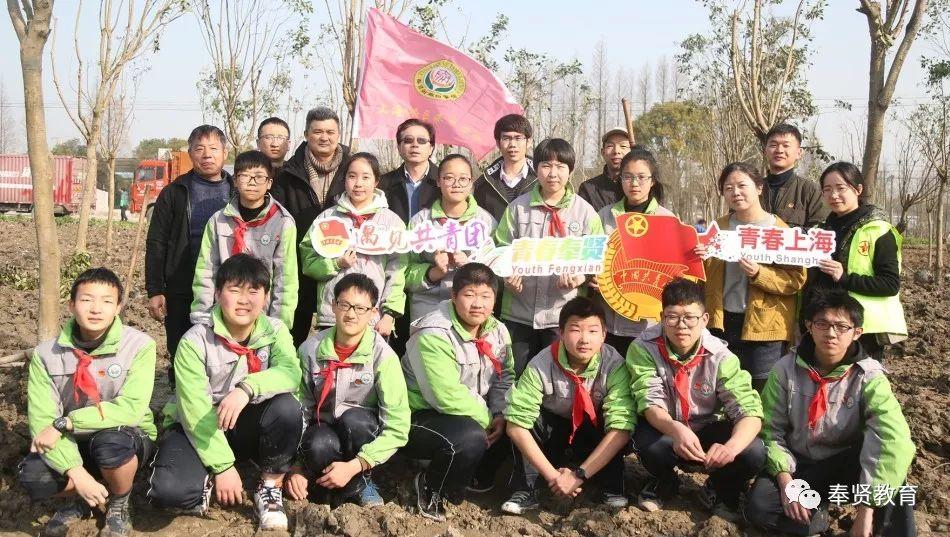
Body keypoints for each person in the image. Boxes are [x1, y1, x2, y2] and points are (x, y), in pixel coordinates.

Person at [147, 255, 303, 532]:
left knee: (287, 408)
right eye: (235, 290)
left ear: (266, 297)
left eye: (253, 291)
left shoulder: (275, 331)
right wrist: (223, 467)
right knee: (169, 493)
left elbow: (291, 373)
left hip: (246, 424)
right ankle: (204, 479)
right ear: (218, 293)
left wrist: (247, 388)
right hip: (199, 427)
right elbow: (194, 411)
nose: (244, 300)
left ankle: (269, 486)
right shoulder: (195, 341)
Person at [745, 289, 915, 537]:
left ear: (857, 333)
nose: (831, 333)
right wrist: (786, 483)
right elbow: (771, 429)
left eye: (841, 327)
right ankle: (816, 515)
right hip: (800, 465)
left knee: (894, 477)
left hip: (847, 466)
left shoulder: (868, 377)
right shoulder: (784, 370)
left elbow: (891, 439)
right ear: (809, 327)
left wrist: (867, 508)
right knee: (761, 508)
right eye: (822, 324)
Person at [19, 268, 156, 537]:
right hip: (71, 440)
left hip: (124, 434)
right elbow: (41, 420)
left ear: (118, 307)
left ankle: (119, 501)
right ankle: (83, 495)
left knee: (110, 444)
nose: (96, 309)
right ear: (71, 305)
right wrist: (76, 472)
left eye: (106, 301)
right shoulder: (46, 354)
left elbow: (130, 409)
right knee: (33, 477)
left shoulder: (139, 346)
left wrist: (68, 422)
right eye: (86, 300)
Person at [627, 278, 765, 520]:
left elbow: (749, 411)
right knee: (648, 443)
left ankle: (721, 487)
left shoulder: (721, 356)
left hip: (708, 426)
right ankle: (664, 481)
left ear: (705, 320)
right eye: (673, 317)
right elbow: (650, 402)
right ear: (662, 317)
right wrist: (676, 429)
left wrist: (730, 448)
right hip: (667, 427)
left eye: (690, 317)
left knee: (753, 451)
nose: (682, 326)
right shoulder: (643, 348)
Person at [401, 263, 514, 521]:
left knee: (518, 421)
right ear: (453, 296)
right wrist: (488, 419)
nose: (478, 304)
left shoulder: (498, 330)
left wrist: (500, 413)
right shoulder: (433, 334)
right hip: (422, 416)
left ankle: (477, 479)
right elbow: (445, 395)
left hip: (473, 412)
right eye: (469, 295)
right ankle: (431, 486)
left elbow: (504, 377)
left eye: (486, 296)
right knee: (470, 437)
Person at [502, 297, 634, 515]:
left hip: (592, 430)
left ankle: (611, 486)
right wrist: (555, 478)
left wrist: (578, 475)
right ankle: (527, 487)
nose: (584, 340)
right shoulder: (541, 363)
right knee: (528, 420)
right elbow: (515, 425)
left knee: (617, 421)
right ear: (561, 333)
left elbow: (621, 428)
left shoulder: (614, 364)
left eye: (593, 331)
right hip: (556, 429)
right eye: (575, 330)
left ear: (603, 335)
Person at [286, 274, 410, 507]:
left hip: (361, 436)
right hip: (324, 431)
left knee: (356, 420)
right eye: (344, 305)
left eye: (361, 308)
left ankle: (361, 485)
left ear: (373, 313)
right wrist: (294, 466)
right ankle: (325, 489)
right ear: (333, 305)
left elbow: (398, 426)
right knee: (318, 443)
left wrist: (355, 465)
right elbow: (300, 408)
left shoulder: (383, 356)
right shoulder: (310, 349)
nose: (351, 314)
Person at [494, 138, 603, 375]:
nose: (553, 173)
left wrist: (580, 277)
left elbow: (596, 259)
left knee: (557, 377)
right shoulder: (517, 209)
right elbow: (500, 249)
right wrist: (507, 273)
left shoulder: (585, 213)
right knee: (514, 375)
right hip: (518, 313)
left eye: (560, 166)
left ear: (570, 170)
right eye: (546, 165)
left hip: (562, 315)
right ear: (536, 168)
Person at [697, 162, 806, 390]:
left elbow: (795, 280)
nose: (735, 192)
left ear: (759, 187)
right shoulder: (719, 227)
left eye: (741, 185)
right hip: (722, 322)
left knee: (759, 392)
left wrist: (760, 273)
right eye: (728, 188)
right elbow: (703, 275)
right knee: (723, 389)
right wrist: (699, 257)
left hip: (764, 328)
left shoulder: (779, 231)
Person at [145, 124, 232, 383]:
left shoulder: (236, 192)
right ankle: (179, 407)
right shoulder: (175, 192)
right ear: (190, 153)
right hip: (182, 285)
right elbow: (157, 242)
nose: (207, 155)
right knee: (182, 347)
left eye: (213, 148)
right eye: (200, 149)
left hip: (226, 284)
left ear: (225, 153)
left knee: (224, 349)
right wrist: (155, 289)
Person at [803, 162, 906, 361]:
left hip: (861, 329)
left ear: (858, 189)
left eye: (841, 188)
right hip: (823, 325)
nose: (833, 195)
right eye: (827, 190)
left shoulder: (878, 230)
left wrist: (844, 277)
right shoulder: (819, 231)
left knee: (859, 386)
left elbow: (890, 284)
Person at [299, 152, 407, 338]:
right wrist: (335, 264)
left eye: (366, 177)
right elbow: (309, 263)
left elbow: (397, 273)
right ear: (344, 180)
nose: (358, 183)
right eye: (352, 176)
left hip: (373, 318)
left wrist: (389, 314)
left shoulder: (392, 223)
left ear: (376, 182)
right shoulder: (327, 218)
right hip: (333, 317)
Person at [191, 150, 297, 328]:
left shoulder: (282, 222)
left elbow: (285, 280)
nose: (252, 182)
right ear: (235, 180)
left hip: (262, 317)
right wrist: (203, 317)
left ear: (269, 183)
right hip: (223, 314)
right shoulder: (218, 221)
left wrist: (279, 326)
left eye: (259, 177)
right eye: (245, 176)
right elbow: (206, 271)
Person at [272, 106, 350, 346]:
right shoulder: (288, 174)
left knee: (339, 337)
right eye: (317, 131)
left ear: (339, 135)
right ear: (306, 134)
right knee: (294, 334)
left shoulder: (353, 168)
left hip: (342, 265)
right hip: (300, 263)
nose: (324, 137)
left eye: (330, 131)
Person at [596, 148, 674, 355]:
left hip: (649, 322)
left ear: (653, 181)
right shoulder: (604, 216)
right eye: (628, 177)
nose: (634, 183)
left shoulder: (667, 219)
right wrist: (592, 276)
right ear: (620, 179)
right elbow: (591, 256)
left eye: (641, 177)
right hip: (610, 318)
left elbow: (674, 269)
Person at [405, 154, 497, 322]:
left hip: (473, 309)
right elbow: (404, 271)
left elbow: (497, 271)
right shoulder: (420, 221)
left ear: (471, 183)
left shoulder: (486, 223)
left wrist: (472, 268)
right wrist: (432, 273)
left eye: (463, 179)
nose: (456, 184)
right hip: (428, 306)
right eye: (449, 178)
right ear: (439, 181)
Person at [760, 123, 828, 229]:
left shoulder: (811, 191)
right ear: (765, 151)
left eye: (786, 145)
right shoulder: (752, 189)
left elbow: (820, 231)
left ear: (799, 153)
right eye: (773, 145)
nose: (779, 150)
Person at [473, 114, 537, 220]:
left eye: (518, 138)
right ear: (498, 143)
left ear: (529, 142)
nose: (512, 144)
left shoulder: (541, 180)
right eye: (506, 138)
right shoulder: (484, 184)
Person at [380, 118, 440, 224]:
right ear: (399, 147)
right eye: (408, 140)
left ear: (431, 148)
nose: (415, 145)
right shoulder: (383, 184)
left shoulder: (444, 182)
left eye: (421, 141)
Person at [577, 127, 632, 211]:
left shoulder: (641, 187)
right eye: (610, 146)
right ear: (603, 152)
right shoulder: (588, 189)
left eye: (623, 146)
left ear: (632, 152)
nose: (616, 151)